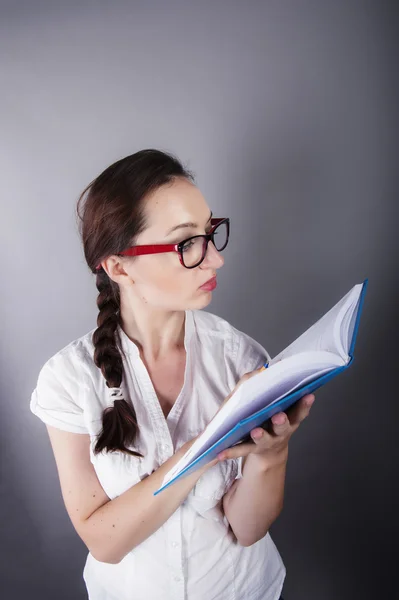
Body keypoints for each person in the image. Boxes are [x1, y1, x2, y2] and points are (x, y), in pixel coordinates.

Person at [30, 149, 315, 600]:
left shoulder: (241, 358)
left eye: (210, 233)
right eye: (186, 244)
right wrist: (208, 445)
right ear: (119, 266)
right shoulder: (68, 379)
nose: (214, 260)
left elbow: (247, 529)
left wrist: (271, 455)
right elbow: (104, 541)